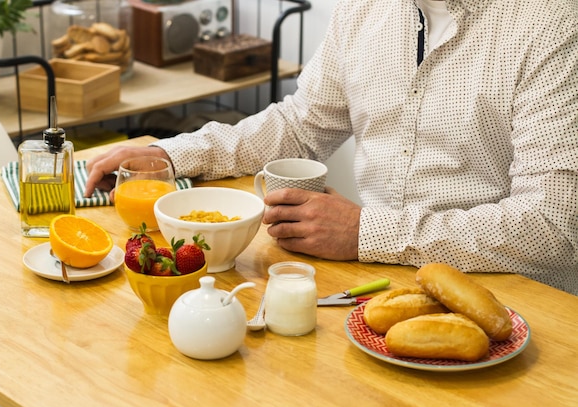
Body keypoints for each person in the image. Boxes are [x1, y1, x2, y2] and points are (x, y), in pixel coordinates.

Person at [85, 0, 578, 296]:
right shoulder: (365, 9)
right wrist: (174, 154)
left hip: (513, 300)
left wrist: (365, 231)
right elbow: (301, 126)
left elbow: (554, 225)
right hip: (375, 287)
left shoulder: (554, 24)